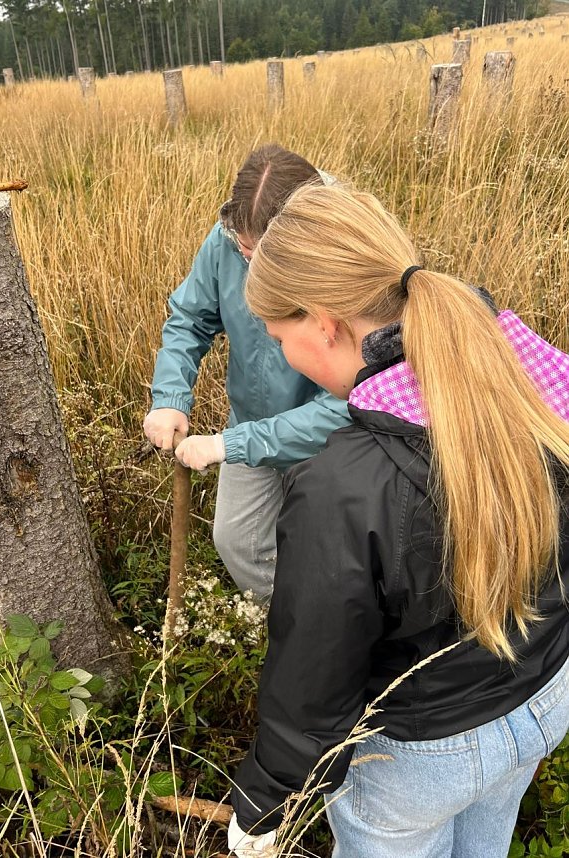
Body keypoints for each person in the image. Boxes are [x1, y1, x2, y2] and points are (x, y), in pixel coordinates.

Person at [227, 182, 569, 857]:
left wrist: (265, 799)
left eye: (278, 337)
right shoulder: (524, 368)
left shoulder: (343, 483)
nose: (283, 355)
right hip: (546, 696)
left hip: (419, 759)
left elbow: (315, 668)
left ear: (323, 322)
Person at [143, 145, 350, 603]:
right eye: (245, 250)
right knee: (239, 541)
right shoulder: (227, 237)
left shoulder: (346, 257)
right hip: (249, 422)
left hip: (332, 444)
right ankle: (286, 631)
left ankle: (333, 644)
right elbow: (190, 317)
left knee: (330, 552)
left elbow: (350, 401)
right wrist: (170, 398)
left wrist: (227, 446)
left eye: (265, 255)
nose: (251, 265)